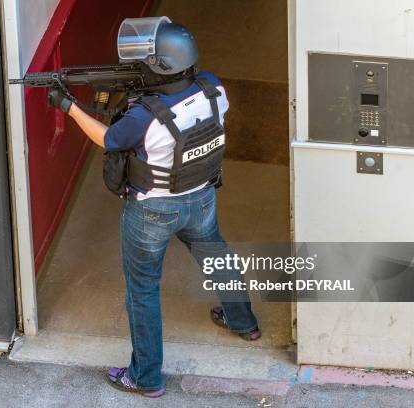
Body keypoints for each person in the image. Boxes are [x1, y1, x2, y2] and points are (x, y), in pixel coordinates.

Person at [47, 16, 260, 398]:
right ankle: (243, 321)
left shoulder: (144, 117)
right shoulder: (214, 89)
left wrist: (69, 106)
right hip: (201, 195)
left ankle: (144, 377)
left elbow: (110, 139)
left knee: (143, 290)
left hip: (152, 210)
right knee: (216, 255)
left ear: (156, 66)